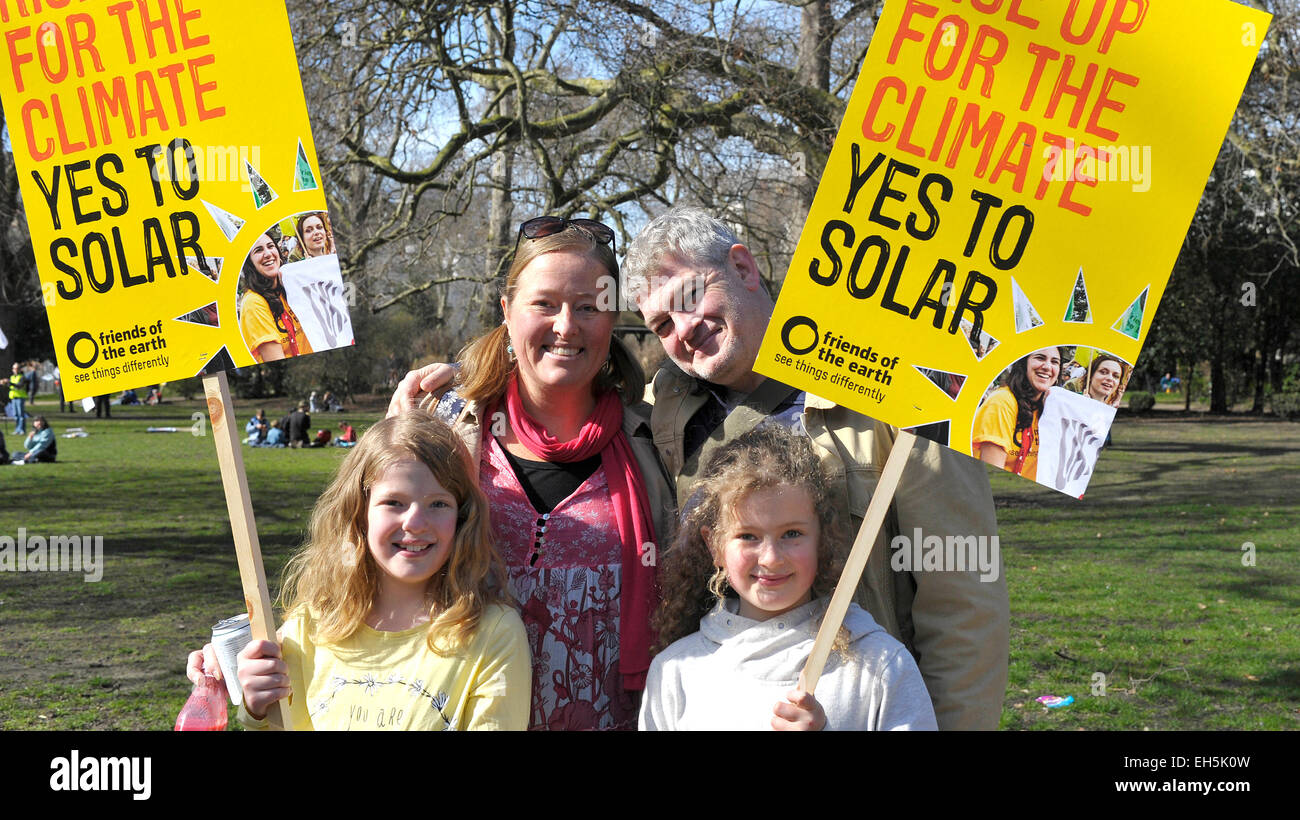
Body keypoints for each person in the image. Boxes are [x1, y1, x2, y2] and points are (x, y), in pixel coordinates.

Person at [399, 208, 1008, 730]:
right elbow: (553, 390)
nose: (685, 330)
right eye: (662, 324)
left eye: (691, 299)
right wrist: (461, 394)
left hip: (849, 701)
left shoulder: (901, 394)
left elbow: (964, 610)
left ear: (743, 268)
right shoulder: (666, 412)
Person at [392, 216, 674, 730]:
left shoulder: (657, 445)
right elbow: (365, 575)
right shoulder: (448, 435)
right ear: (507, 311)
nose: (566, 326)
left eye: (588, 307)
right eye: (544, 304)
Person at [188, 413, 531, 730]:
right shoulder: (313, 625)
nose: (414, 521)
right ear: (359, 512)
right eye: (393, 502)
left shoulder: (492, 635)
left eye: (438, 503)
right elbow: (275, 720)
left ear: (461, 517)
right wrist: (251, 698)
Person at [641, 426, 937, 731]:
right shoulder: (675, 673)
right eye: (747, 536)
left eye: (792, 534)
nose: (771, 558)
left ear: (821, 539)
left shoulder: (880, 666)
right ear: (715, 545)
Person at [972, 347, 1061, 480]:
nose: (1048, 367)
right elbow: (991, 478)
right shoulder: (1001, 402)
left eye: (1055, 362)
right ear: (1023, 363)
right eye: (1040, 358)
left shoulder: (1049, 409)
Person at [238, 229, 315, 363]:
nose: (267, 254)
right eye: (258, 250)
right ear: (249, 263)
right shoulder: (253, 303)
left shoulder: (289, 289)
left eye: (270, 246)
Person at [8, 363, 27, 435]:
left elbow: (19, 386)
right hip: (13, 398)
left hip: (20, 398)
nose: (15, 370)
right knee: (16, 415)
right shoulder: (12, 377)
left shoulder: (22, 377)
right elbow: (11, 386)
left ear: (19, 369)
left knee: (21, 415)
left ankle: (22, 430)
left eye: (16, 368)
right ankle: (17, 430)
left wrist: (9, 383)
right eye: (14, 368)